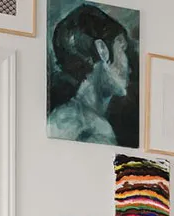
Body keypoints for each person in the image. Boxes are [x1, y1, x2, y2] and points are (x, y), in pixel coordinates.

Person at [48, 3, 132, 145]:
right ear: (102, 50)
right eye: (122, 48)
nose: (129, 67)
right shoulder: (96, 129)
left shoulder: (62, 117)